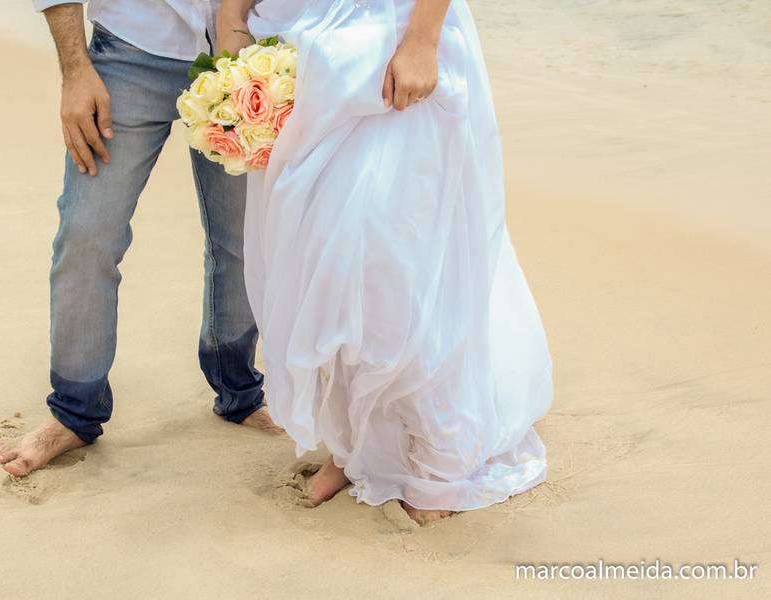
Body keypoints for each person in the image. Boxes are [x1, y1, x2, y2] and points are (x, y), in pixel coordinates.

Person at [216, 0, 554, 525]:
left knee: (401, 260)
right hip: (297, 46)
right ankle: (355, 450)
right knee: (318, 264)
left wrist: (423, 38)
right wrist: (232, 37)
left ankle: (438, 461)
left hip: (393, 39)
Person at [0, 0, 282, 478]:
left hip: (246, 48)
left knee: (242, 239)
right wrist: (75, 70)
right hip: (129, 50)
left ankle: (239, 391)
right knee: (87, 233)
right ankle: (74, 411)